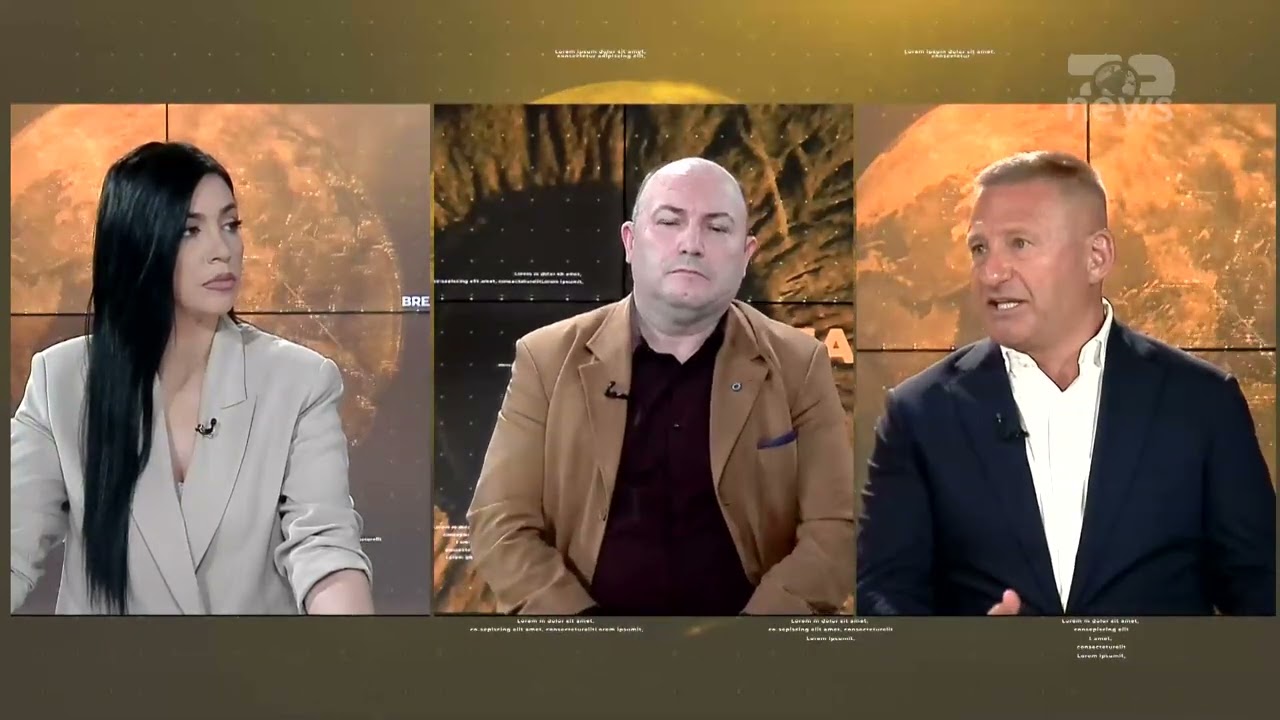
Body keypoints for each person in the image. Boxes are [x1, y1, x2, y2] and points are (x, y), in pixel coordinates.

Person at [856, 150, 1276, 617]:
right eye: (979, 249)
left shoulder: (1201, 403)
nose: (991, 273)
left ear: (1096, 257)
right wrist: (964, 651)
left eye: (1019, 244)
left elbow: (1261, 593)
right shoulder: (919, 414)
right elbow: (884, 595)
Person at [466, 157, 855, 616]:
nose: (691, 244)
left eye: (717, 228)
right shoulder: (546, 359)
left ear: (746, 254)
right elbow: (500, 524)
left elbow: (835, 529)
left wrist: (755, 638)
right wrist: (582, 630)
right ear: (630, 242)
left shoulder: (799, 364)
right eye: (670, 222)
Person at [10, 141, 375, 615]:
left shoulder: (301, 382)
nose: (222, 251)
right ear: (138, 242)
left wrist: (355, 649)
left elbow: (324, 548)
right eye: (190, 230)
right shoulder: (61, 382)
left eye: (230, 225)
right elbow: (13, 548)